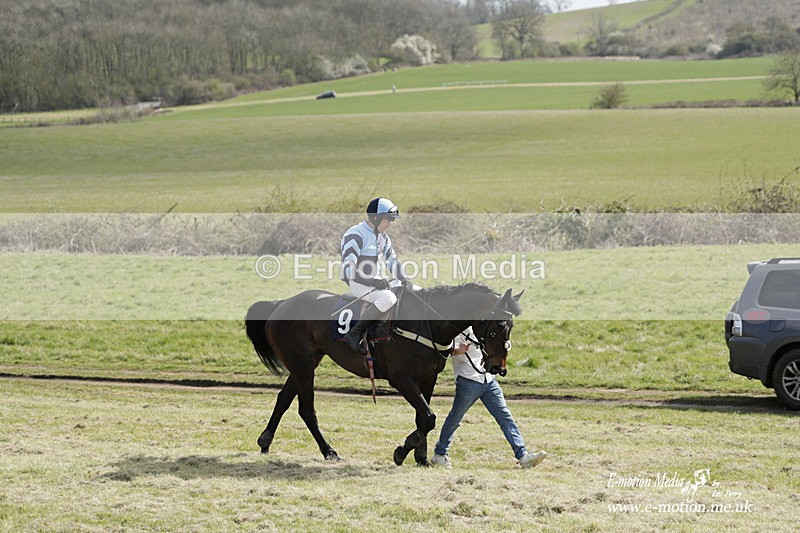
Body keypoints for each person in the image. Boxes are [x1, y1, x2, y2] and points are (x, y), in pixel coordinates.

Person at [431, 326, 547, 469]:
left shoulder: (485, 324)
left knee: (505, 417)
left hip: (489, 379)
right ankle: (439, 454)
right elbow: (444, 343)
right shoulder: (459, 323)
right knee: (455, 419)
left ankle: (523, 456)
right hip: (468, 379)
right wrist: (455, 350)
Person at [340, 197, 409, 354]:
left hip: (375, 281)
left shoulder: (383, 237)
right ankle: (354, 333)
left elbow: (393, 262)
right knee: (388, 298)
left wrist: (405, 279)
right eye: (388, 220)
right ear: (376, 218)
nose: (390, 224)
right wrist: (372, 281)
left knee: (408, 290)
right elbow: (348, 269)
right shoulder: (355, 234)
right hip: (358, 283)